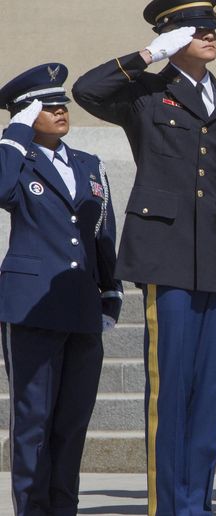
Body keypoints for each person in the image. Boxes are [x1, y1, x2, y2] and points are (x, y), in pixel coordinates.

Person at [72, 1, 216, 514]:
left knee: (206, 400)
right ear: (171, 35)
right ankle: (169, 507)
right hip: (166, 256)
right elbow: (86, 90)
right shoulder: (146, 93)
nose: (209, 36)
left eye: (211, 29)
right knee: (171, 389)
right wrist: (150, 54)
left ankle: (196, 504)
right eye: (195, 30)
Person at [0, 63, 122, 516]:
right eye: (45, 106)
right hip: (31, 307)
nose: (59, 110)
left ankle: (63, 509)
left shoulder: (88, 163)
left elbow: (102, 231)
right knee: (33, 422)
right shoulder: (15, 158)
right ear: (24, 114)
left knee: (72, 423)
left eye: (61, 103)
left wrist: (110, 291)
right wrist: (13, 136)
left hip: (82, 306)